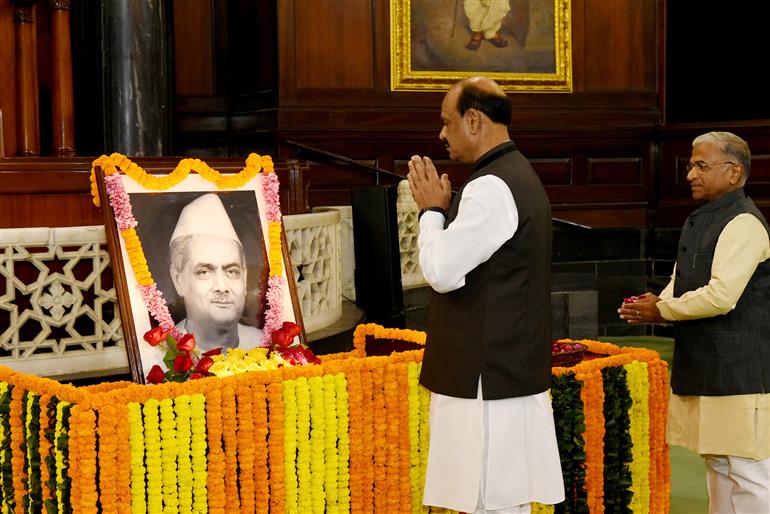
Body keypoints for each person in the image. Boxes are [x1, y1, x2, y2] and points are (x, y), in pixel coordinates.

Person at [407, 76, 564, 514]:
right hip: (505, 369)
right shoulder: (515, 175)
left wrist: (432, 213)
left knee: (487, 502)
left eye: (446, 122)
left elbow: (441, 270)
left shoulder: (491, 186)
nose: (441, 134)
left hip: (486, 376)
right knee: (501, 500)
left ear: (473, 120)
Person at [619, 131, 770, 513]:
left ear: (734, 172)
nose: (690, 174)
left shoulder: (744, 223)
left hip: (740, 372)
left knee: (749, 471)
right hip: (706, 364)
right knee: (717, 464)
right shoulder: (703, 219)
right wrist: (658, 301)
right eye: (691, 165)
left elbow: (721, 296)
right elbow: (682, 279)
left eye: (702, 165)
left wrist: (663, 311)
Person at [169, 193, 262, 353]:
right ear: (179, 280)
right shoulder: (159, 357)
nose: (222, 286)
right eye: (204, 272)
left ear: (245, 278)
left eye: (232, 271)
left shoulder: (263, 343)